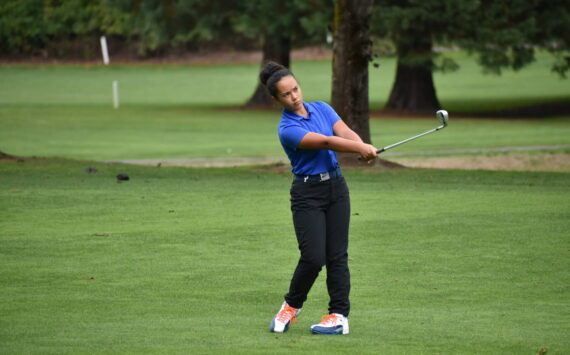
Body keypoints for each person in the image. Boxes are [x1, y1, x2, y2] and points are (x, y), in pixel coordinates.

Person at [260, 62, 378, 335]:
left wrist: (361, 146)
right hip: (307, 193)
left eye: (296, 89)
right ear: (277, 99)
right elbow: (327, 142)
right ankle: (290, 306)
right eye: (286, 94)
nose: (294, 97)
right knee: (313, 257)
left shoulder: (322, 108)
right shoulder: (287, 129)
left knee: (337, 255)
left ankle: (338, 316)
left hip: (336, 188)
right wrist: (360, 147)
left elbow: (344, 132)